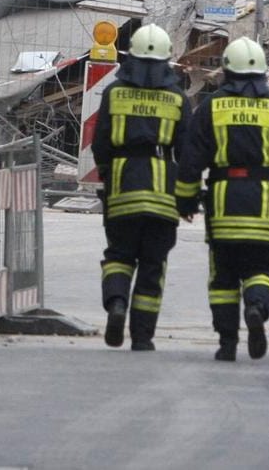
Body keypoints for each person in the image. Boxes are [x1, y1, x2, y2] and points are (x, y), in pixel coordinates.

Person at [175, 36, 269, 361]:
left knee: (224, 276)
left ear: (227, 69)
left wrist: (186, 201)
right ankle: (256, 307)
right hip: (266, 204)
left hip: (223, 203)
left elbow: (190, 161)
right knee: (262, 269)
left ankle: (227, 343)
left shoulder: (210, 107)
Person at [92, 24, 190, 352]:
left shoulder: (114, 93)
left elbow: (101, 142)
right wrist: (187, 192)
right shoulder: (177, 98)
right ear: (167, 60)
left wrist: (108, 174)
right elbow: (187, 149)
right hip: (163, 190)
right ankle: (143, 336)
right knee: (153, 263)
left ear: (130, 55)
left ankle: (117, 302)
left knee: (119, 255)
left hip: (122, 185)